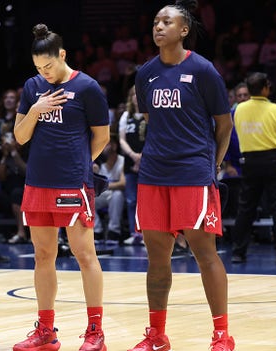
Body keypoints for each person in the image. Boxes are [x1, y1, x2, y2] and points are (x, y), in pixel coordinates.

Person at [128, 1, 235, 350]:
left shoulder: (204, 71)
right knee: (157, 260)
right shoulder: (145, 74)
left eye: (167, 21)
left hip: (193, 173)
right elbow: (150, 121)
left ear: (184, 30)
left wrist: (212, 165)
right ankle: (156, 334)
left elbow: (224, 124)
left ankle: (222, 334)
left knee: (205, 254)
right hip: (154, 175)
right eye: (156, 21)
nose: (159, 26)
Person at [13, 24, 110, 351]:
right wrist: (36, 110)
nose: (45, 73)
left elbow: (102, 137)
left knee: (84, 254)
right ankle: (46, 332)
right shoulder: (32, 87)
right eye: (39, 68)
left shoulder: (87, 87)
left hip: (72, 183)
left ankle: (95, 331)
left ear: (62, 56)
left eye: (49, 66)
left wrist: (81, 163)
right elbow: (20, 136)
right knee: (43, 256)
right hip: (38, 181)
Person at [231, 72, 276, 264]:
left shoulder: (239, 109)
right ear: (265, 88)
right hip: (272, 159)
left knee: (246, 207)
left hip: (249, 161)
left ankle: (238, 252)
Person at [118, 85, 146, 245]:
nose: (136, 97)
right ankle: (133, 233)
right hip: (130, 162)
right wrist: (133, 156)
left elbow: (154, 136)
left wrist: (142, 157)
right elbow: (122, 139)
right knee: (131, 200)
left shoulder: (148, 114)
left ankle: (145, 232)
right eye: (133, 94)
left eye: (138, 94)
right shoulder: (126, 116)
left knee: (145, 199)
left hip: (147, 161)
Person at [93, 136, 125, 244]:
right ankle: (96, 231)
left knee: (117, 195)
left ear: (114, 146)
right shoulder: (99, 163)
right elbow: (94, 186)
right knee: (87, 199)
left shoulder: (122, 161)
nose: (103, 148)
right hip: (103, 194)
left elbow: (123, 184)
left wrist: (105, 185)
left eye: (106, 144)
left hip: (120, 196)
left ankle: (113, 232)